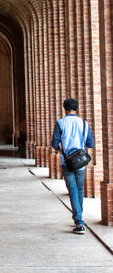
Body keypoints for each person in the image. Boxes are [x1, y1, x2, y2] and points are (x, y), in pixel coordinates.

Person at [51, 98, 94, 234]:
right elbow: (90, 144)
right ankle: (79, 217)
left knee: (73, 190)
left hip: (67, 162)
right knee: (79, 189)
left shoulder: (60, 123)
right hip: (80, 162)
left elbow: (54, 143)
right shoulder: (84, 123)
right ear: (77, 108)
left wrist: (61, 151)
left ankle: (79, 221)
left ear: (64, 108)